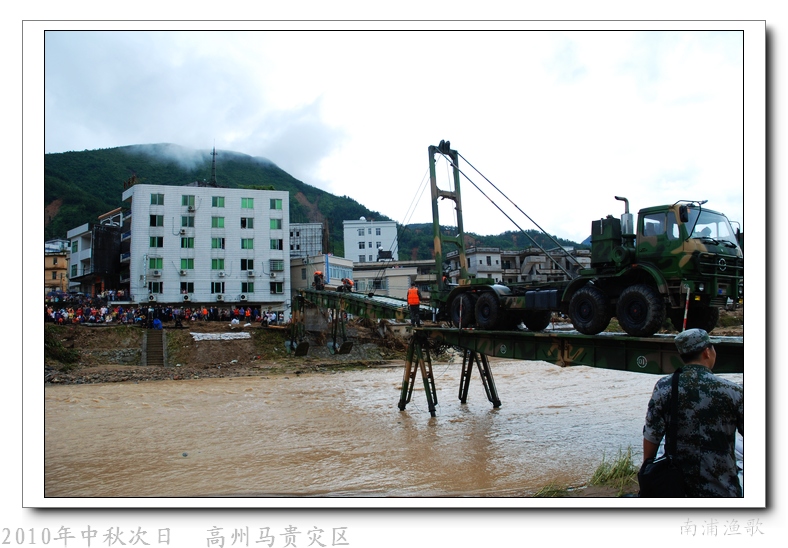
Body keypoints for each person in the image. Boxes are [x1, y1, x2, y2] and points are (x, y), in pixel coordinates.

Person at [642, 328, 744, 497]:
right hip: (722, 487)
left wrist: (647, 469)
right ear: (707, 352)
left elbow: (652, 435)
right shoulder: (732, 391)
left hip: (677, 487)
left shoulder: (664, 387)